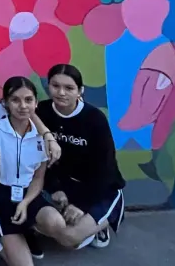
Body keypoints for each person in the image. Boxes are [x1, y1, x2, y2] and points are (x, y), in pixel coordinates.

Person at [34, 64, 126, 250]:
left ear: (80, 91)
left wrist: (82, 205)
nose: (61, 93)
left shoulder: (94, 119)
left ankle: (103, 223)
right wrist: (55, 188)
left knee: (70, 239)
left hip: (101, 188)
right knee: (45, 224)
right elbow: (40, 157)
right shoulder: (42, 112)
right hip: (65, 185)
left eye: (69, 88)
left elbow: (105, 168)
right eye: (55, 86)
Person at [0, 76, 50, 266]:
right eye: (15, 100)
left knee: (56, 224)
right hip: (2, 193)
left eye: (28, 100)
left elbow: (39, 177)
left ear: (36, 103)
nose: (23, 106)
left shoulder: (42, 136)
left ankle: (29, 230)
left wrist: (26, 202)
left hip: (29, 193)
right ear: (5, 103)